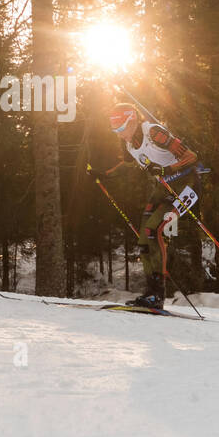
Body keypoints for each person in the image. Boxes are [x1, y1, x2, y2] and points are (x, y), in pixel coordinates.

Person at [89, 102, 199, 309]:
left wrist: (167, 170)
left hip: (186, 184)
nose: (119, 134)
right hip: (164, 188)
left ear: (133, 120)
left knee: (156, 230)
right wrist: (104, 175)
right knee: (143, 239)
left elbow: (191, 157)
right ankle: (151, 292)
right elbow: (130, 165)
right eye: (115, 130)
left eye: (121, 128)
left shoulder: (154, 133)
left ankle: (159, 295)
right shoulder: (131, 144)